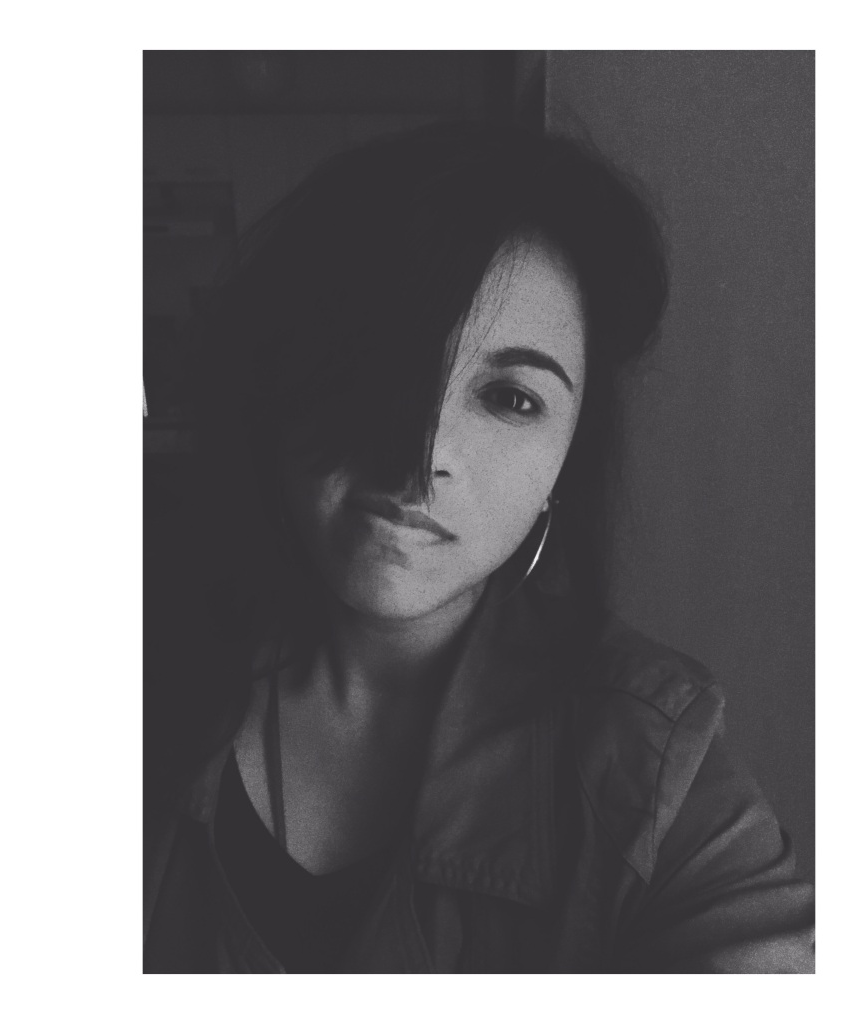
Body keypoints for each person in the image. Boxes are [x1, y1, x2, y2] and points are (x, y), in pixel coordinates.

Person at [143, 120, 815, 973]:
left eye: (510, 398)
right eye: (379, 361)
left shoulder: (653, 765)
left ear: (565, 462)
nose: (423, 453)